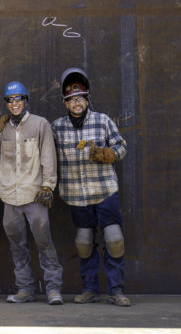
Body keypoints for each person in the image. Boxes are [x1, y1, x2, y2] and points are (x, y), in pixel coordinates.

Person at [51, 68, 131, 307]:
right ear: (66, 103)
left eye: (81, 98)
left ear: (87, 100)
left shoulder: (103, 121)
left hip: (105, 191)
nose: (77, 103)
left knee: (114, 239)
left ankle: (116, 291)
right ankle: (90, 290)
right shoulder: (56, 128)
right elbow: (39, 146)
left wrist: (109, 154)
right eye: (72, 99)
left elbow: (122, 147)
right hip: (76, 195)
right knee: (84, 242)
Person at [0, 81, 64, 305]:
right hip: (10, 198)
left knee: (44, 243)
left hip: (35, 196)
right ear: (7, 104)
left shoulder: (40, 125)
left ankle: (53, 290)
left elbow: (49, 157)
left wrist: (48, 186)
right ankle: (25, 290)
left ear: (25, 100)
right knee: (17, 245)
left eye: (18, 99)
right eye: (10, 100)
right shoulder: (6, 130)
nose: (14, 104)